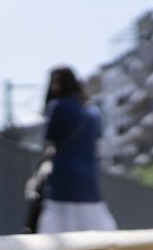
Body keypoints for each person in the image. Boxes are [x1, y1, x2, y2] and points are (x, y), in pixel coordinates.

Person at [37, 66, 116, 234]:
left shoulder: (57, 106)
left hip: (62, 177)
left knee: (57, 233)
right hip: (89, 178)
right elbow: (99, 148)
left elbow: (48, 144)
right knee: (95, 232)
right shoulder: (94, 111)